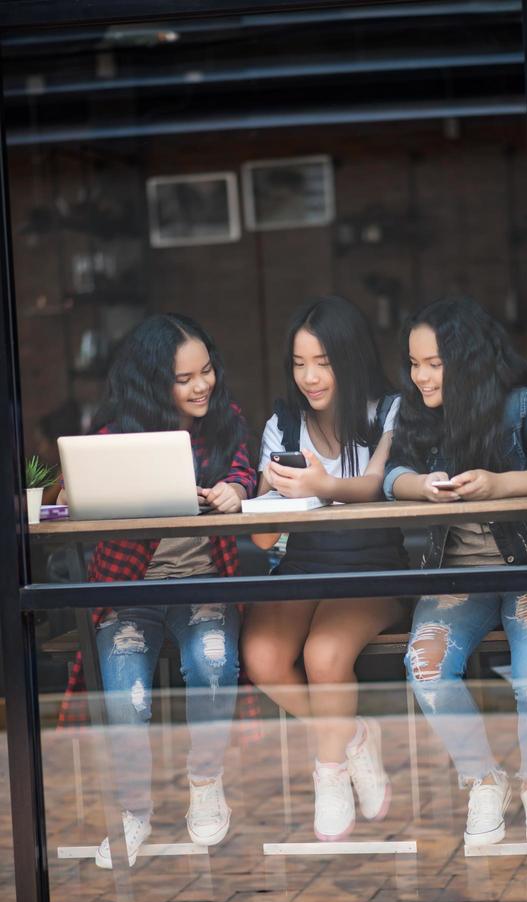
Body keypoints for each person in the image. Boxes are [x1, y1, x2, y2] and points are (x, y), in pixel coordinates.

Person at [383, 297, 527, 846]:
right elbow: (393, 475)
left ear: (468, 360)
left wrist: (500, 485)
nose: (421, 375)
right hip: (460, 580)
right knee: (426, 668)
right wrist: (421, 487)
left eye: (434, 363)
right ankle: (483, 778)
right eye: (414, 363)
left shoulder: (522, 406)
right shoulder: (416, 413)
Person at [60, 313, 256, 867]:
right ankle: (133, 810)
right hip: (130, 591)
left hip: (202, 586)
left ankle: (205, 782)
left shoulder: (227, 422)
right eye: (184, 378)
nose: (201, 386)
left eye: (207, 371)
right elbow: (78, 506)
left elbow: (246, 473)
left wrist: (234, 492)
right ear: (153, 381)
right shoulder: (113, 441)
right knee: (127, 697)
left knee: (213, 665)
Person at [241, 296, 407, 842]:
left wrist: (321, 487)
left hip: (372, 566)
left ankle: (329, 771)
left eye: (323, 362)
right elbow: (265, 536)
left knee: (323, 654)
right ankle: (353, 734)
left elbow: (378, 484)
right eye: (298, 362)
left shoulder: (389, 412)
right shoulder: (283, 425)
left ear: (350, 358)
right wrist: (266, 493)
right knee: (263, 656)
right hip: (304, 563)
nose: (309, 377)